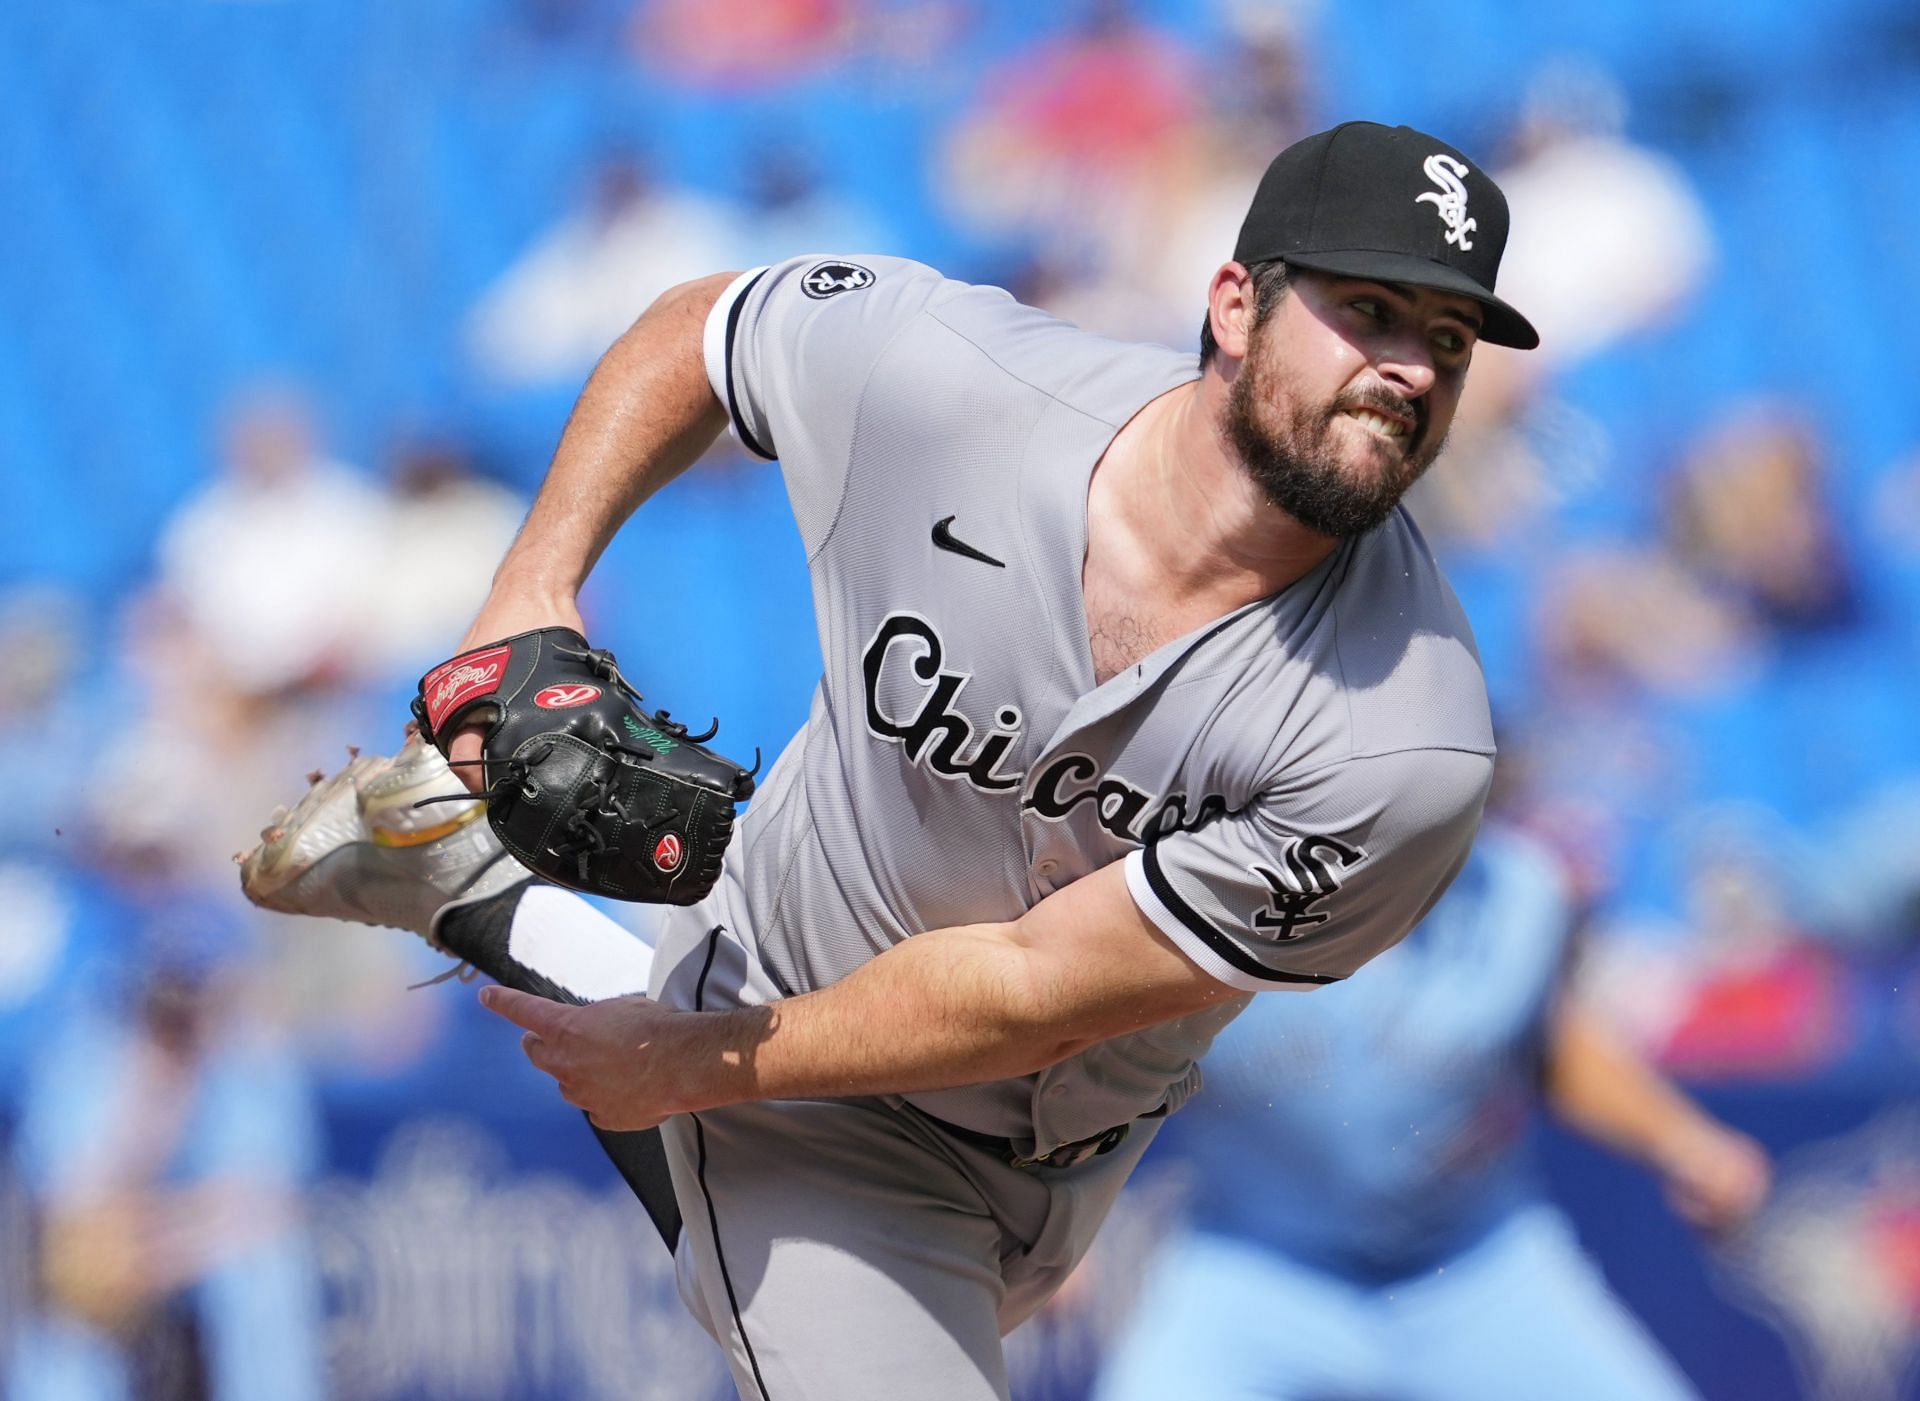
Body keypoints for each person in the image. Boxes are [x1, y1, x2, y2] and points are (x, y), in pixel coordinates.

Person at [243, 121, 1540, 1400]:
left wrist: (674, 1069)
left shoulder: (1406, 736)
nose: (1409, 368)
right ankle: (502, 911)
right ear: (1237, 304)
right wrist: (532, 585)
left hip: (1032, 1159)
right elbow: (705, 329)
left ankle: (465, 881)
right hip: (799, 1072)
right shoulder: (960, 385)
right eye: (1368, 308)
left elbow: (1037, 985)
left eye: (1445, 340)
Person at [1091, 826, 1771, 1401]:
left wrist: (1682, 1137)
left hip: (1477, 1266)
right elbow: (1097, 1053)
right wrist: (1056, 1210)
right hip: (1256, 1265)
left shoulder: (1515, 891)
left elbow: (1547, 1041)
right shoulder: (1204, 886)